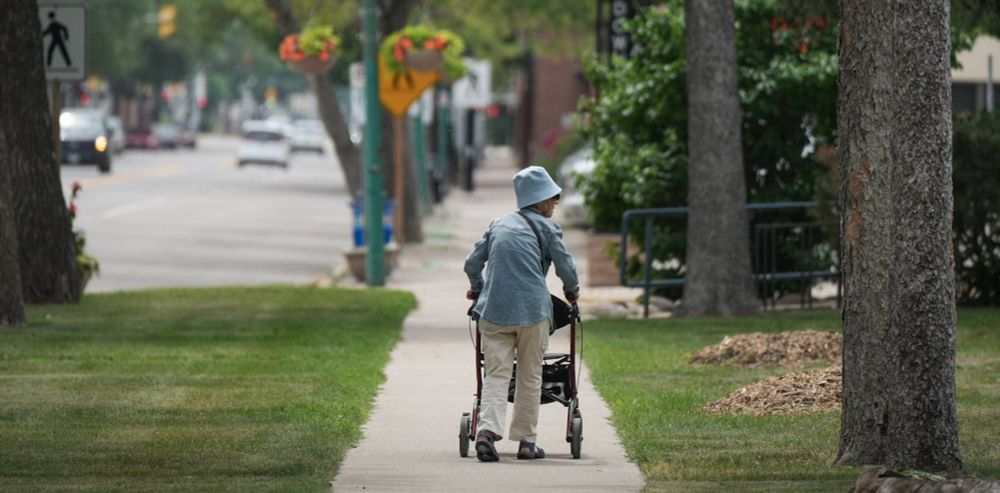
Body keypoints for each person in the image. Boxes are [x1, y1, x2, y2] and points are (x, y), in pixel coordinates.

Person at [464, 165, 580, 462]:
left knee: (496, 374)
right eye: (553, 198)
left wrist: (477, 289)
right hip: (532, 313)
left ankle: (487, 432)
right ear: (540, 201)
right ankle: (527, 443)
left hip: (493, 311)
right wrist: (572, 290)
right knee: (530, 375)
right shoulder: (549, 228)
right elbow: (566, 267)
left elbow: (472, 264)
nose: (556, 202)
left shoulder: (498, 224)